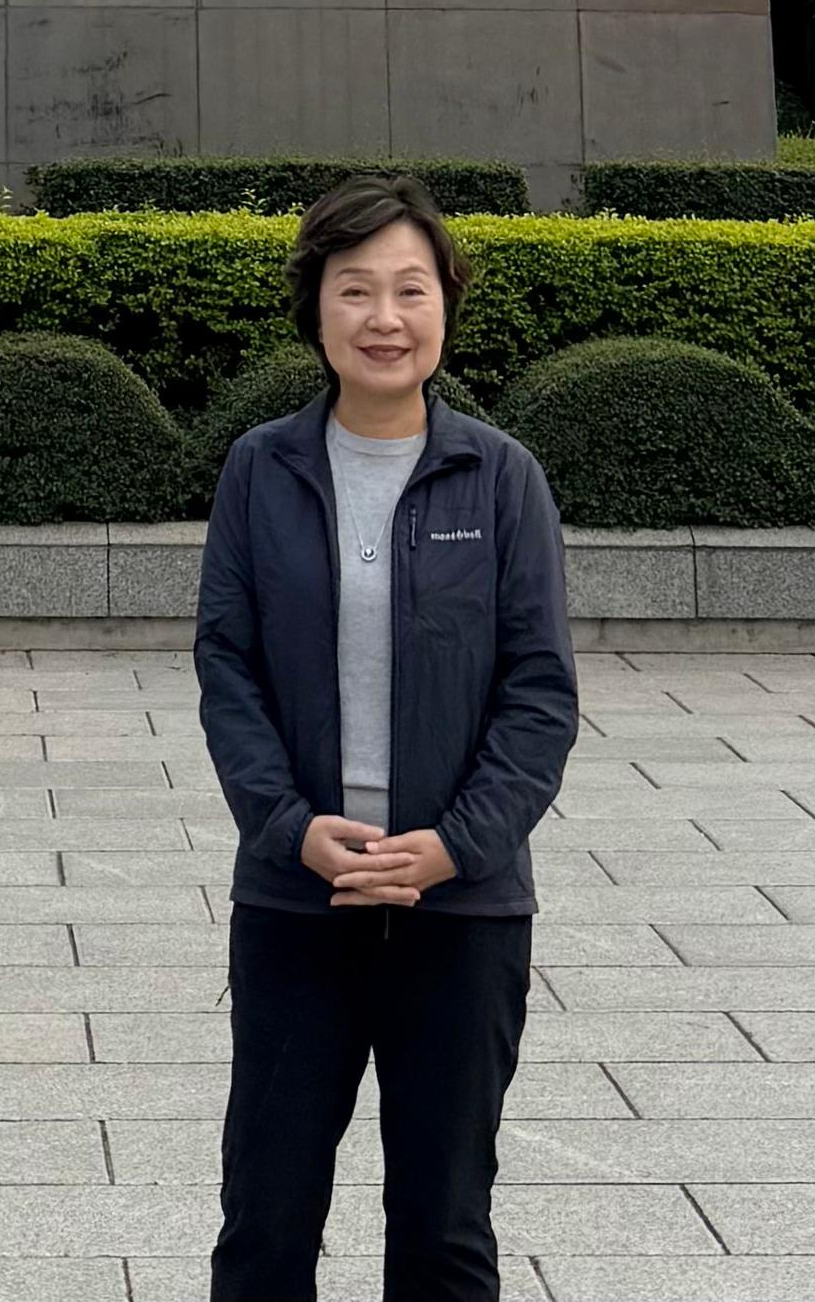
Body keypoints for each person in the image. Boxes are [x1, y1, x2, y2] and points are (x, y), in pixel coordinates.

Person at [194, 177, 578, 1301]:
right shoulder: (259, 469)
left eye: (410, 288)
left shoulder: (499, 477)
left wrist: (456, 844)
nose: (383, 316)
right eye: (354, 288)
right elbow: (227, 667)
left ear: (444, 305)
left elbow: (538, 692)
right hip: (295, 902)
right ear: (314, 308)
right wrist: (286, 828)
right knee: (264, 1223)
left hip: (459, 911)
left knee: (442, 1228)